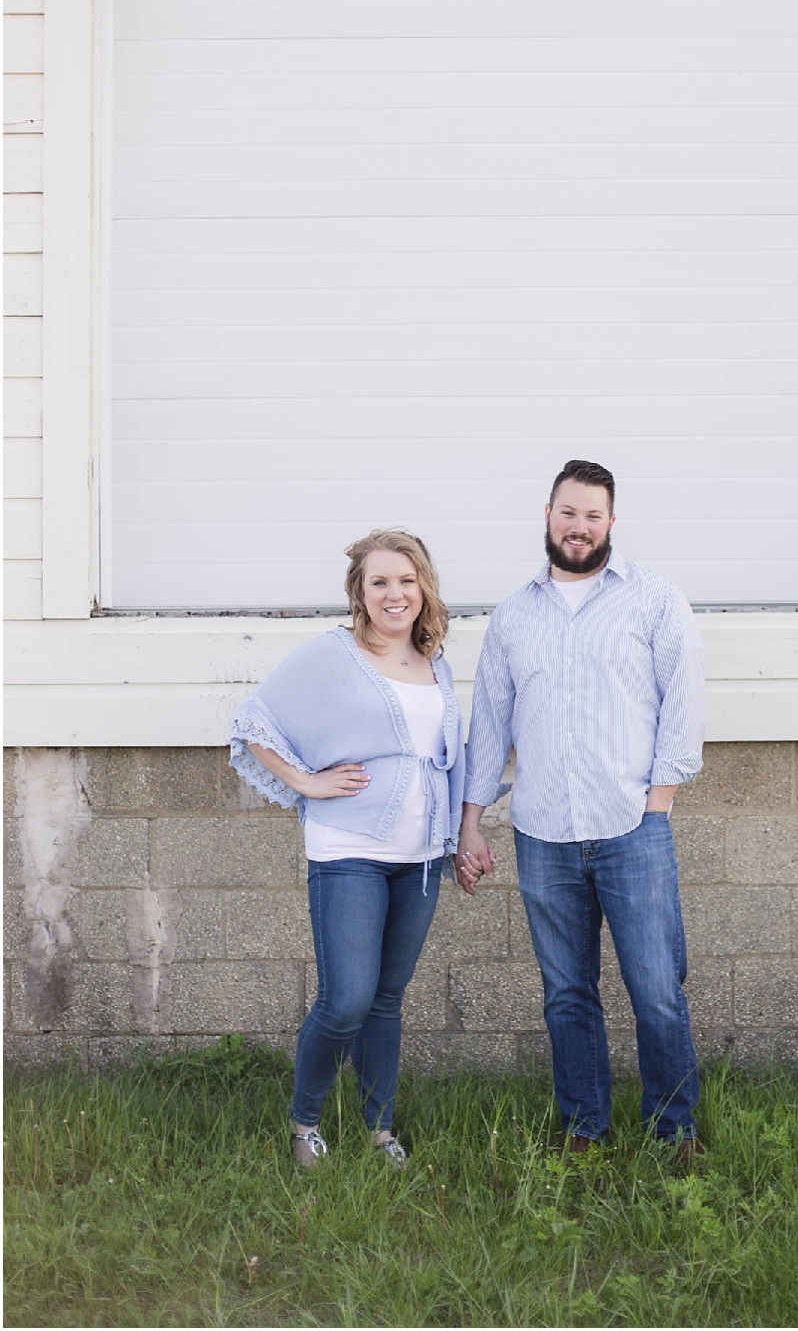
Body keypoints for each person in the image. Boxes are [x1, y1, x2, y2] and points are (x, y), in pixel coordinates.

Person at [457, 460, 706, 1162]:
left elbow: (682, 711)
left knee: (657, 989)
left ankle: (674, 1130)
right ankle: (584, 1125)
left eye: (593, 515)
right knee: (567, 992)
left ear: (611, 522)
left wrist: (657, 806)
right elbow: (489, 728)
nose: (579, 526)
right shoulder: (514, 616)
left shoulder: (654, 600)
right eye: (569, 512)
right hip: (543, 833)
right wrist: (472, 820)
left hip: (633, 827)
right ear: (547, 513)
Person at [229, 529, 464, 1169]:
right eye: (380, 581)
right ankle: (304, 1123)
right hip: (349, 848)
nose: (395, 593)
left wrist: (460, 835)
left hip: (419, 858)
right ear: (360, 591)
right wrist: (306, 782)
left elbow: (448, 759)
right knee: (347, 999)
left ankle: (378, 1129)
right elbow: (253, 721)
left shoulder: (433, 661)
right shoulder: (335, 655)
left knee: (387, 999)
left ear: (424, 587)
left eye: (406, 580)